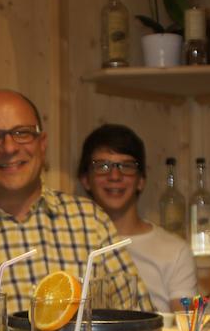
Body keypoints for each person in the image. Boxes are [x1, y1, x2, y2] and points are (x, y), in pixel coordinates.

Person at [0, 89, 149, 330]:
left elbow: (139, 322)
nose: (9, 147)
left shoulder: (91, 220)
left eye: (22, 133)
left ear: (42, 145)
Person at [77, 124, 196, 313]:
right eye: (102, 166)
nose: (114, 176)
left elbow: (187, 328)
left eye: (126, 166)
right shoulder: (71, 245)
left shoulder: (175, 250)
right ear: (85, 179)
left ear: (141, 180)